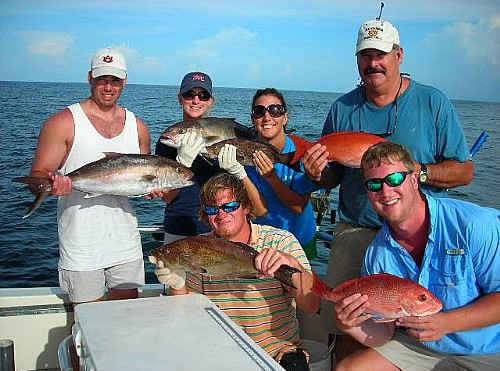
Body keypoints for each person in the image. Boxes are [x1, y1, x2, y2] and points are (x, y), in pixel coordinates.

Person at [301, 19, 474, 359]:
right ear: (357, 61)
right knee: (349, 327)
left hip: (418, 239)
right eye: (365, 55)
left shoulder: (433, 102)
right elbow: (330, 178)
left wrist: (414, 173)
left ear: (399, 56)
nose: (373, 63)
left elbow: (465, 170)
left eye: (380, 54)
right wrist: (315, 172)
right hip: (357, 232)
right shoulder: (342, 108)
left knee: (428, 327)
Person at [333, 141, 500, 371]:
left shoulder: (474, 225)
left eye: (394, 179)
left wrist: (447, 323)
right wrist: (349, 324)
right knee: (348, 368)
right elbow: (383, 334)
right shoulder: (377, 254)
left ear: (413, 179)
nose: (385, 191)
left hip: (487, 350)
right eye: (374, 183)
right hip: (417, 348)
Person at [154, 172, 321, 371]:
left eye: (230, 206)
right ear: (205, 215)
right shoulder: (196, 250)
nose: (221, 214)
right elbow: (186, 316)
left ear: (246, 207)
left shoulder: (280, 242)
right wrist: (178, 286)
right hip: (218, 352)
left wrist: (293, 266)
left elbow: (312, 305)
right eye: (212, 208)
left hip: (278, 352)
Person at [27, 47, 151, 306]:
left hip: (125, 245)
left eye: (115, 79)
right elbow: (37, 176)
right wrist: (52, 186)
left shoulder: (138, 127)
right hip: (81, 248)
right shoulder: (63, 123)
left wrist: (152, 190)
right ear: (90, 78)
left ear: (124, 81)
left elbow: (140, 183)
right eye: (102, 78)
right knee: (85, 332)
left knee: (128, 323)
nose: (108, 86)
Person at [218, 88, 322, 260]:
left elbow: (299, 207)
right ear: (253, 119)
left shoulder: (300, 152)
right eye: (259, 112)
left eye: (275, 110)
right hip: (264, 243)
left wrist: (271, 177)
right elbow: (259, 210)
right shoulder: (244, 153)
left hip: (301, 241)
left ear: (285, 118)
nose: (267, 117)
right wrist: (238, 171)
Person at [153, 71, 219, 243]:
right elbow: (168, 197)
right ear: (180, 98)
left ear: (211, 101)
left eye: (203, 95)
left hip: (218, 226)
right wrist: (181, 165)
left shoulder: (224, 136)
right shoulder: (167, 140)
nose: (196, 100)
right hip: (178, 227)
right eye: (190, 94)